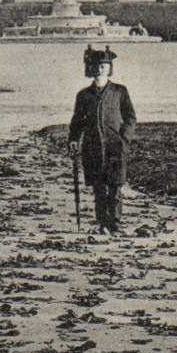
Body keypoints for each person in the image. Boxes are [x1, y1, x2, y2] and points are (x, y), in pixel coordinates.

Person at [68, 46, 137, 234]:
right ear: (91, 68)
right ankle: (102, 223)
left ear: (109, 68)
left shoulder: (120, 91)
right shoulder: (84, 95)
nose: (100, 69)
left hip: (115, 146)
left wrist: (125, 138)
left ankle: (114, 224)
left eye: (104, 65)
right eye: (97, 65)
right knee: (98, 187)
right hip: (92, 146)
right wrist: (74, 139)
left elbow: (130, 117)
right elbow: (77, 120)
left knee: (115, 187)